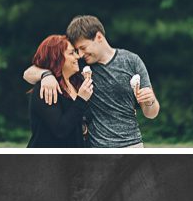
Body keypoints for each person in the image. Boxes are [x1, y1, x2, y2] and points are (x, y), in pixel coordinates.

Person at [23, 15, 159, 148]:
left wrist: (150, 101)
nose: (80, 54)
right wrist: (46, 75)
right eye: (76, 50)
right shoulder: (80, 66)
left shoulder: (132, 61)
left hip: (132, 145)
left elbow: (151, 113)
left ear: (99, 37)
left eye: (83, 48)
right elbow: (28, 73)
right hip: (96, 149)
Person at [27, 34, 94, 148]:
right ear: (57, 57)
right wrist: (82, 100)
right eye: (71, 53)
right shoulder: (46, 89)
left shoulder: (77, 83)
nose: (78, 56)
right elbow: (61, 130)